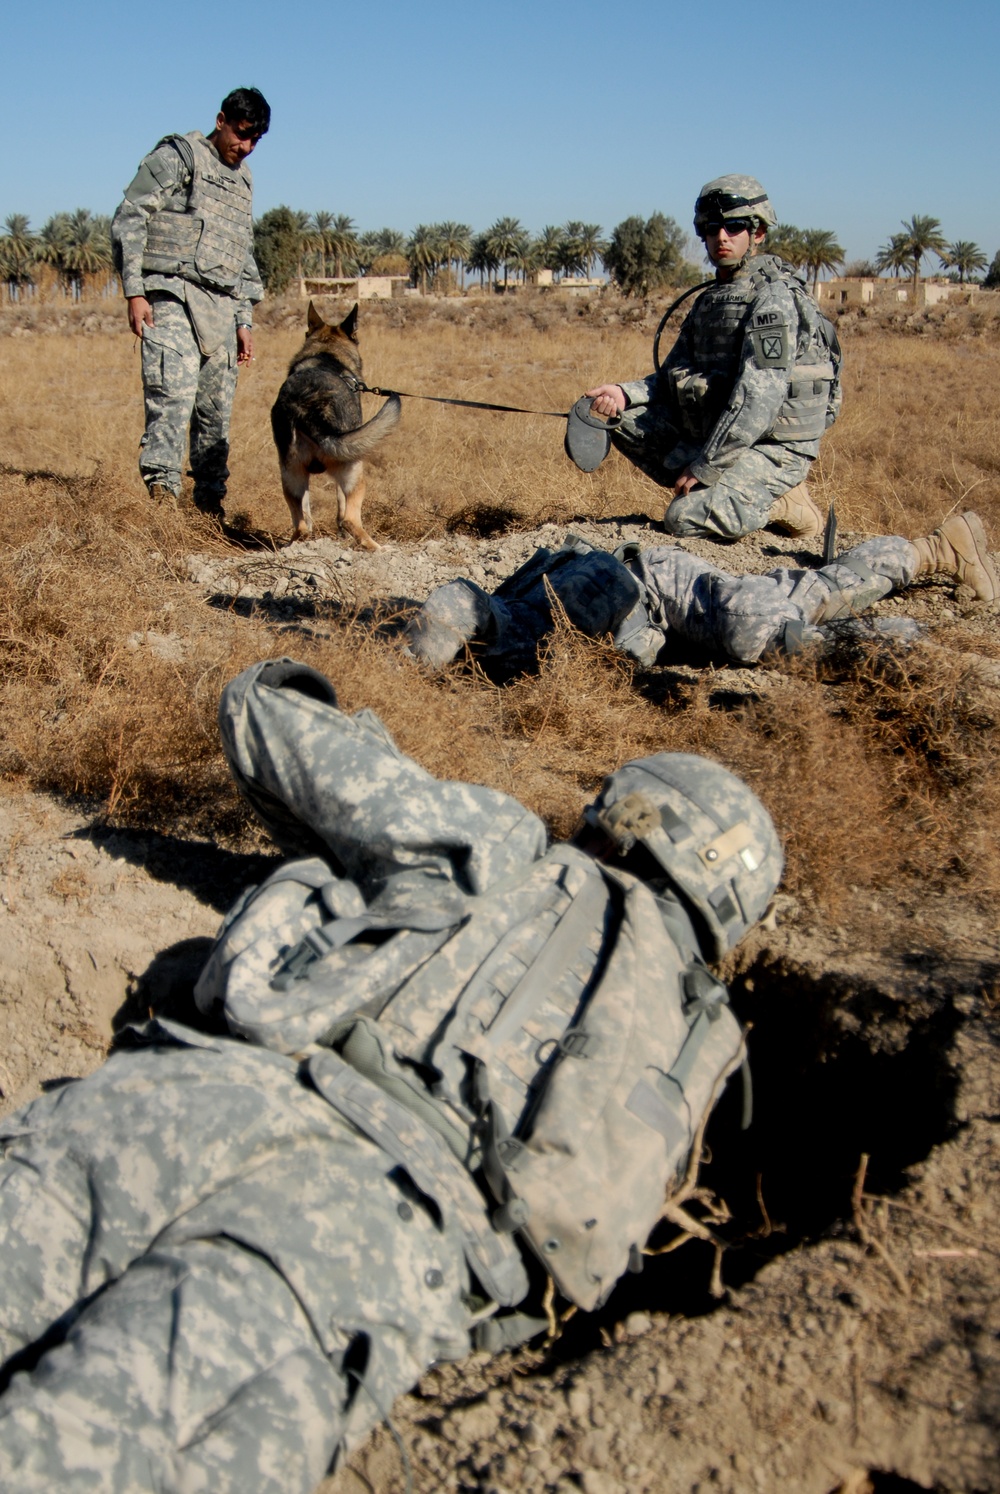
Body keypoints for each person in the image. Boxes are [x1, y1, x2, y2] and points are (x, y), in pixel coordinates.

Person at [0, 659, 783, 1492]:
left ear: (620, 820)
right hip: (371, 1242)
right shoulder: (691, 1049)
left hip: (199, 1101)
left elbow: (262, 717)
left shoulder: (501, 844)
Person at [403, 512, 999, 671]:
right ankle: (936, 549)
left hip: (656, 584)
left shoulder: (538, 616)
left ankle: (901, 649)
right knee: (804, 591)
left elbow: (456, 597)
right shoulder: (517, 653)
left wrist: (405, 668)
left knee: (760, 629)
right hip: (662, 629)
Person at [585, 175, 841, 542]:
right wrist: (623, 393)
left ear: (759, 233)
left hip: (773, 446)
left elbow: (758, 399)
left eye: (735, 226)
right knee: (616, 417)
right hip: (723, 435)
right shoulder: (711, 300)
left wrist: (706, 467)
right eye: (712, 228)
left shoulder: (773, 299)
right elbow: (671, 375)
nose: (721, 236)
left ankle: (784, 501)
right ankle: (722, 491)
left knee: (681, 519)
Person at [111, 86, 270, 517]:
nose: (247, 146)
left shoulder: (244, 180)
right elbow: (130, 216)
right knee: (172, 401)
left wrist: (243, 319)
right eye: (241, 134)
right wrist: (135, 290)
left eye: (256, 140)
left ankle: (208, 513)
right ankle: (162, 507)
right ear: (221, 121)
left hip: (220, 307)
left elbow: (241, 251)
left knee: (215, 415)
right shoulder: (178, 156)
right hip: (172, 294)